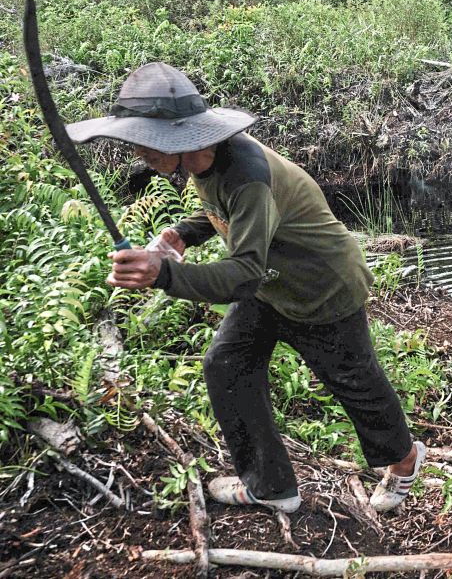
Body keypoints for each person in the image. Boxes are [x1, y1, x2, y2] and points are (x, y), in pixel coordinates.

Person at [68, 62, 426, 514]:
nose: (140, 151)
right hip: (269, 285)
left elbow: (243, 274)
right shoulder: (204, 161)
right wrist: (182, 234)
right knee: (226, 364)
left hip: (322, 287)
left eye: (148, 143)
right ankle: (273, 485)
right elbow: (224, 212)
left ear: (181, 139)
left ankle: (405, 461)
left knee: (355, 384)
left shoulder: (247, 175)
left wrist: (163, 274)